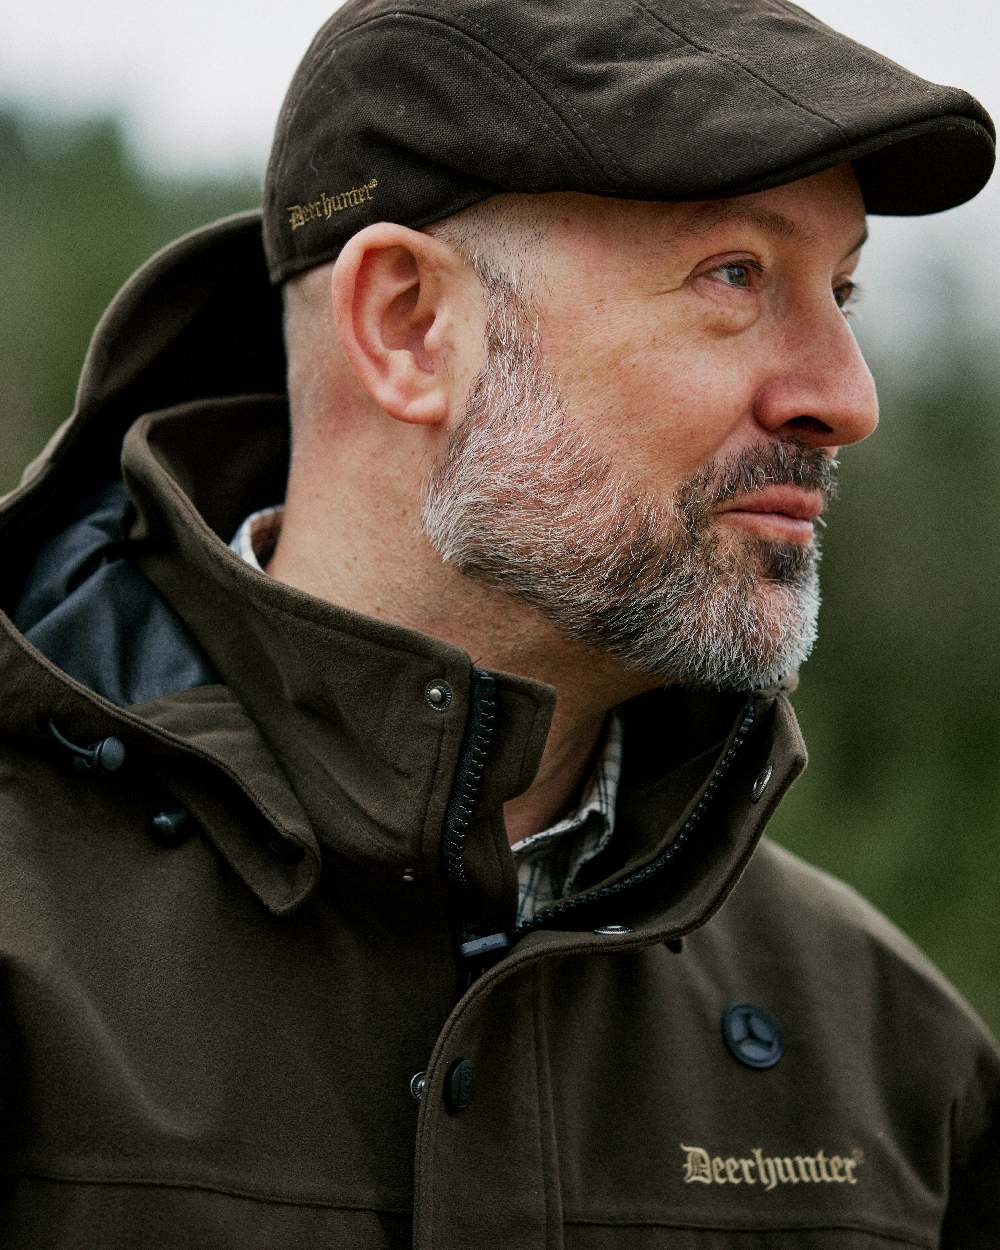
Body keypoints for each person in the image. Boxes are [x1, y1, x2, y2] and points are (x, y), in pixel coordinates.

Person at [1, 1, 997, 1246]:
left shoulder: (894, 1058)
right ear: (410, 325)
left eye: (840, 289)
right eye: (735, 273)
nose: (847, 395)